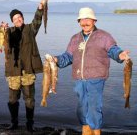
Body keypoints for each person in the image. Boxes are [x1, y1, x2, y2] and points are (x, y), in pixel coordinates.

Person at [47, 7, 130, 135]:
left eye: (88, 19)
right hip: (79, 79)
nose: (85, 22)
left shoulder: (104, 36)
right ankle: (85, 132)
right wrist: (56, 59)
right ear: (79, 21)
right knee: (81, 110)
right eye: (82, 20)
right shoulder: (75, 38)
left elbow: (113, 49)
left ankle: (96, 133)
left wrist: (120, 55)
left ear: (94, 20)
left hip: (96, 79)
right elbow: (68, 57)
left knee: (94, 109)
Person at [0, 0, 49, 133]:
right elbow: (4, 43)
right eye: (14, 19)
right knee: (13, 100)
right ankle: (14, 123)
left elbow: (38, 20)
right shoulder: (8, 32)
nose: (18, 19)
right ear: (12, 21)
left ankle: (29, 124)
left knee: (29, 100)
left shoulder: (30, 29)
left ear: (22, 17)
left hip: (28, 71)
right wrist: (3, 29)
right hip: (13, 71)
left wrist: (41, 6)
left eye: (19, 17)